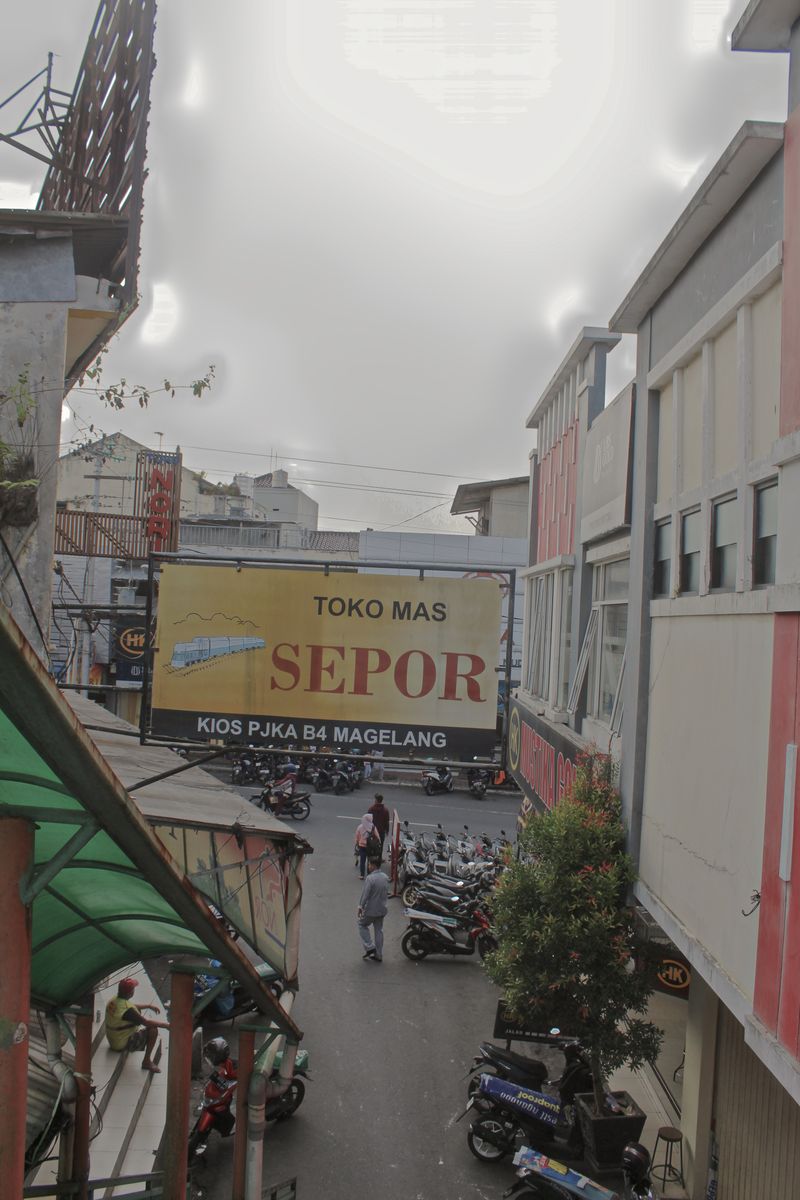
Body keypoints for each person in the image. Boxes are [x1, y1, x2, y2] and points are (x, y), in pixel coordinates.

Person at [105, 977, 170, 1072]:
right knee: (153, 1029)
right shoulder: (127, 1010)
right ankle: (146, 1061)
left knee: (138, 1011)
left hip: (113, 1040)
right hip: (121, 1043)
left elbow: (132, 1006)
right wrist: (166, 1025)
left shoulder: (114, 1000)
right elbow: (146, 1022)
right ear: (131, 993)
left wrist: (148, 1006)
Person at [357, 857, 389, 962]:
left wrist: (360, 907)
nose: (368, 866)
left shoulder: (370, 878)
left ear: (374, 865)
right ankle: (379, 954)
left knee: (361, 924)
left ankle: (370, 946)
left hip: (371, 909)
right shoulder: (385, 877)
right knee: (379, 930)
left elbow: (365, 895)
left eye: (369, 864)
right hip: (382, 909)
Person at [354, 813, 377, 879]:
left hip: (362, 846)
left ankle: (362, 875)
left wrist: (357, 843)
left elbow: (357, 836)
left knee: (362, 860)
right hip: (370, 846)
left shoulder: (360, 827)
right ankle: (369, 874)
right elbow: (377, 835)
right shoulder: (373, 827)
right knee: (369, 860)